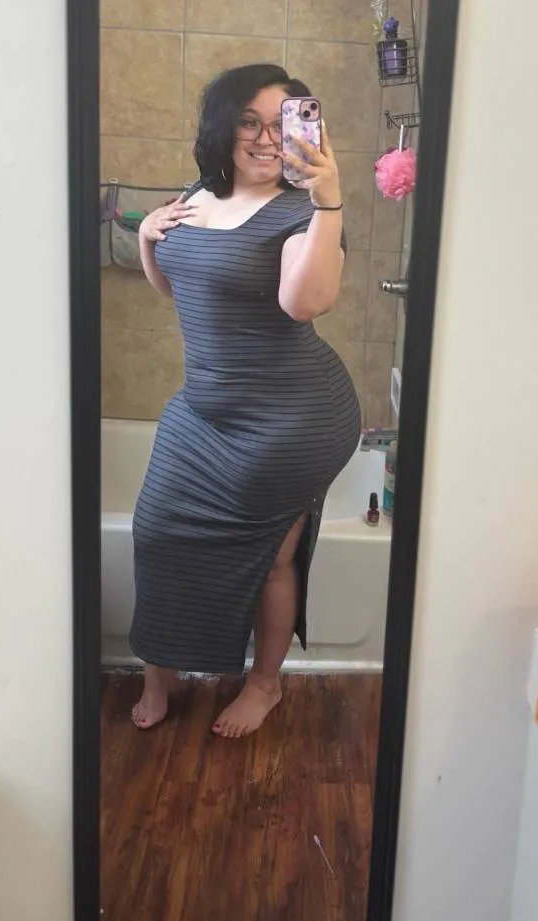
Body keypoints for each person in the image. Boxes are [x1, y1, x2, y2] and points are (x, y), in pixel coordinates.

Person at [131, 64, 361, 737]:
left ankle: (265, 685)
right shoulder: (201, 192)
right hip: (202, 412)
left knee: (273, 558)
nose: (265, 138)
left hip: (288, 421)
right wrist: (147, 237)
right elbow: (178, 287)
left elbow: (303, 302)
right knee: (156, 534)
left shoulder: (305, 213)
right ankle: (158, 673)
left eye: (280, 123)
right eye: (249, 122)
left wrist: (329, 202)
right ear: (223, 127)